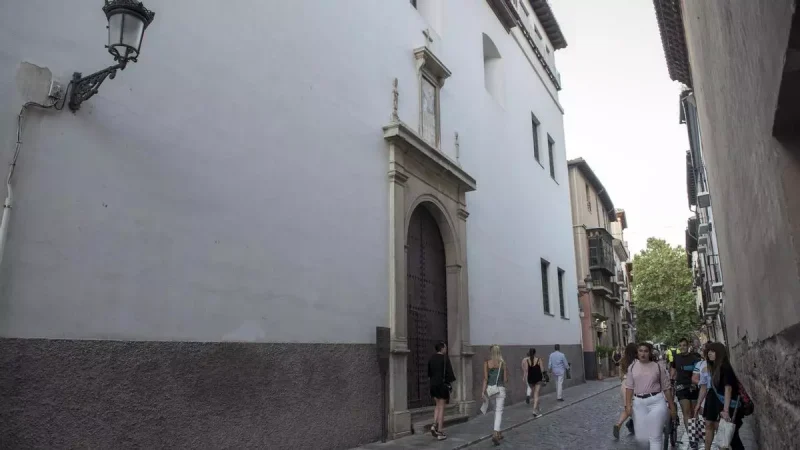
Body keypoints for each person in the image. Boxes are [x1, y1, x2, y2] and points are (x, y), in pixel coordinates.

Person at [624, 342, 676, 450]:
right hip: (639, 403)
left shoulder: (657, 366)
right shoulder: (632, 367)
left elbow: (666, 388)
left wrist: (671, 406)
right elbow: (629, 387)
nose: (643, 354)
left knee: (655, 437)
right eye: (640, 351)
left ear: (650, 353)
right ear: (637, 353)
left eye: (646, 351)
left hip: (656, 402)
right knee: (641, 438)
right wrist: (628, 405)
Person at [695, 342, 745, 450]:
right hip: (720, 404)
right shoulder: (716, 367)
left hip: (727, 406)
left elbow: (728, 389)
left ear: (719, 353)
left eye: (712, 351)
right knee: (732, 439)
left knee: (733, 438)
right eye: (708, 352)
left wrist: (725, 410)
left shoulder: (724, 367)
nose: (709, 354)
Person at [671, 338, 703, 448]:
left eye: (684, 345)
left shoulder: (695, 358)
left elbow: (699, 372)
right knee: (686, 412)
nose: (682, 347)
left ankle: (695, 434)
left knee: (694, 412)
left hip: (693, 386)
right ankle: (691, 437)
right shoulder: (676, 357)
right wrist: (671, 379)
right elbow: (673, 370)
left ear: (688, 345)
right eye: (680, 345)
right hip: (681, 386)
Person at [427, 341, 455, 441]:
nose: (446, 349)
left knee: (437, 405)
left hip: (433, 385)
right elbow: (449, 374)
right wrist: (450, 384)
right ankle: (440, 432)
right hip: (442, 385)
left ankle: (434, 425)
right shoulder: (445, 358)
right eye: (445, 348)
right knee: (442, 408)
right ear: (442, 348)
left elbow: (429, 373)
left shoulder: (431, 358)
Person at [482, 345, 508, 445]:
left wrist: (482, 391)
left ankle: (498, 432)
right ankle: (495, 433)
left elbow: (485, 378)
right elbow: (505, 379)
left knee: (495, 410)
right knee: (499, 411)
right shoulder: (503, 363)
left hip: (490, 390)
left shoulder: (486, 363)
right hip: (500, 389)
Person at [613, 343, 638, 439]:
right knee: (635, 408)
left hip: (624, 384)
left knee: (627, 408)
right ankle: (632, 425)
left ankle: (619, 424)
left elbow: (620, 376)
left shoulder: (622, 361)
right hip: (633, 385)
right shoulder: (637, 361)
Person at [521, 348, 544, 417]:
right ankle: (534, 411)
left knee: (535, 394)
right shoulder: (538, 359)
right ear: (535, 353)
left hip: (530, 379)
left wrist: (524, 377)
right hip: (538, 379)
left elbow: (525, 370)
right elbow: (542, 370)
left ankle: (538, 408)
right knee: (536, 394)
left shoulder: (526, 360)